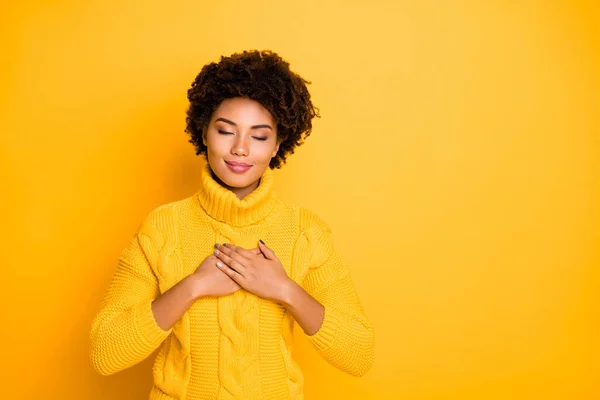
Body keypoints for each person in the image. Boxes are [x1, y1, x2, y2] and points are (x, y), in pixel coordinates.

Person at [90, 49, 374, 400]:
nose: (240, 149)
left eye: (259, 136)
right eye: (226, 131)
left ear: (277, 145)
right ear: (205, 131)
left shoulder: (305, 232)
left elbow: (359, 353)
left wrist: (284, 289)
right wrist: (192, 286)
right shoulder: (162, 228)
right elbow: (105, 352)